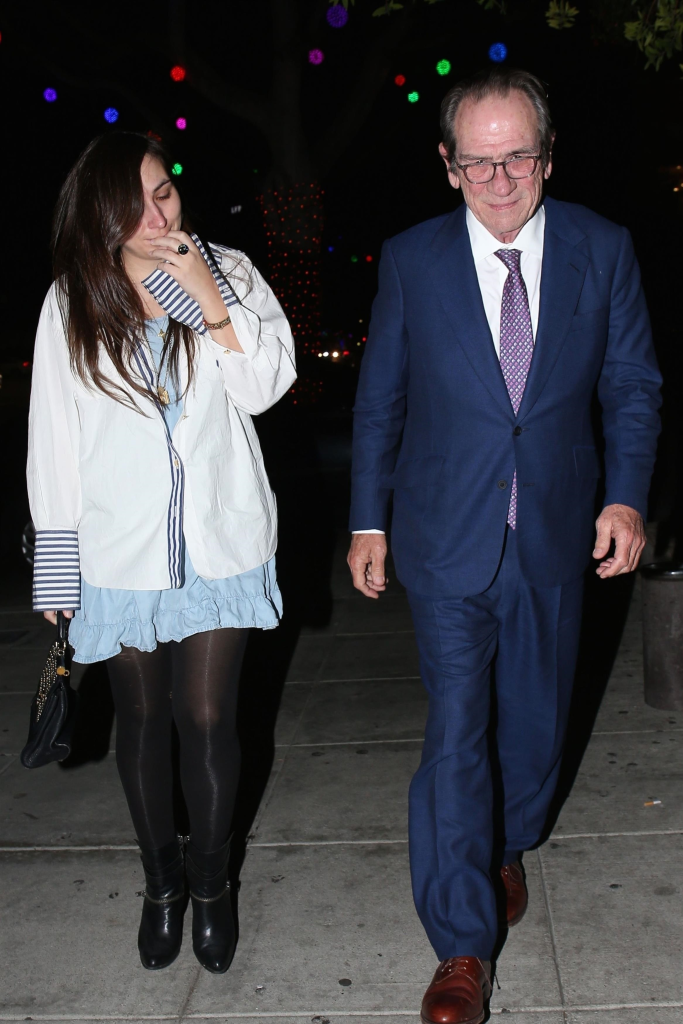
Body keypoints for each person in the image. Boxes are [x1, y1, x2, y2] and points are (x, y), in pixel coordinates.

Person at [347, 67, 661, 1024]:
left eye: (515, 155)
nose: (497, 177)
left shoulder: (602, 250)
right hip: (444, 536)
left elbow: (632, 386)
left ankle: (505, 840)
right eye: (476, 160)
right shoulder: (410, 260)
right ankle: (460, 944)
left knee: (532, 725)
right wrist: (367, 518)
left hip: (557, 532)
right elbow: (381, 400)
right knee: (455, 736)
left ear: (546, 157)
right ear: (447, 166)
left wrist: (626, 499)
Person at [27, 132, 296, 975]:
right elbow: (54, 440)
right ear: (100, 211)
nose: (157, 214)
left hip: (220, 542)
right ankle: (162, 885)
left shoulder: (230, 274)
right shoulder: (73, 299)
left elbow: (266, 388)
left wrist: (208, 300)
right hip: (121, 552)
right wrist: (57, 568)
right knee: (142, 723)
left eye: (166, 193)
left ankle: (212, 885)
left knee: (208, 717)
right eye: (135, 201)